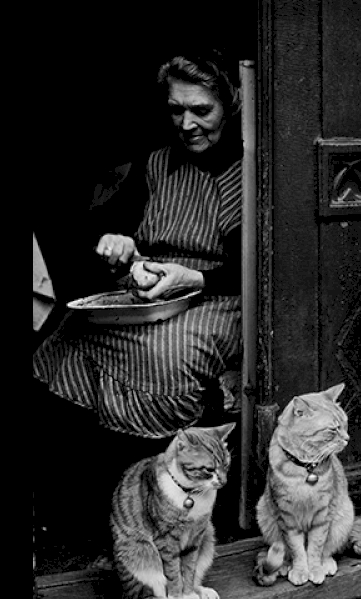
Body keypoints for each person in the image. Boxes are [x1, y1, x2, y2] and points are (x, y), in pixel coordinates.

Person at [32, 50, 243, 451]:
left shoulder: (249, 171)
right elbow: (105, 223)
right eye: (176, 110)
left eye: (201, 110)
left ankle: (160, 461)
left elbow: (254, 271)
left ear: (230, 106)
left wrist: (193, 277)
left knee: (163, 355)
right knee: (71, 329)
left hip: (220, 295)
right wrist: (118, 241)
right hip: (151, 289)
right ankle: (94, 465)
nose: (187, 124)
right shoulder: (156, 163)